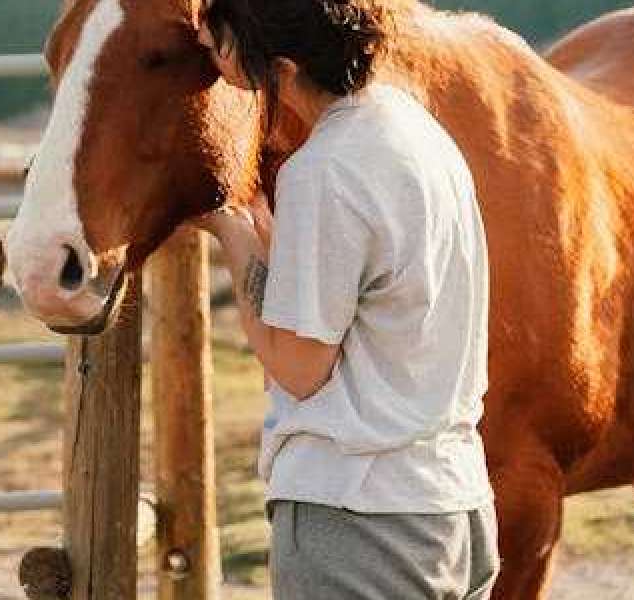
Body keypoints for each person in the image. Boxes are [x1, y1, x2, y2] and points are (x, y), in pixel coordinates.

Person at [193, 0, 500, 598]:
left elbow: (299, 368)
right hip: (453, 507)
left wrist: (230, 232)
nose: (204, 45)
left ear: (280, 69)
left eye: (216, 44)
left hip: (360, 524)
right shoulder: (414, 132)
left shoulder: (326, 169)